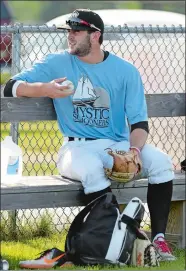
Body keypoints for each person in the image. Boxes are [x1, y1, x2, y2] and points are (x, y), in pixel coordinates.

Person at [4, 8, 176, 264]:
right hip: (77, 149)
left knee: (162, 162)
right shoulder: (57, 62)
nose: (70, 36)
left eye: (76, 31)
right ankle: (118, 239)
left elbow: (139, 123)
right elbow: (11, 87)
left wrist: (134, 151)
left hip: (117, 144)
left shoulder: (125, 71)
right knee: (93, 169)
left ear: (95, 35)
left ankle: (159, 238)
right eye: (69, 31)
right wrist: (45, 89)